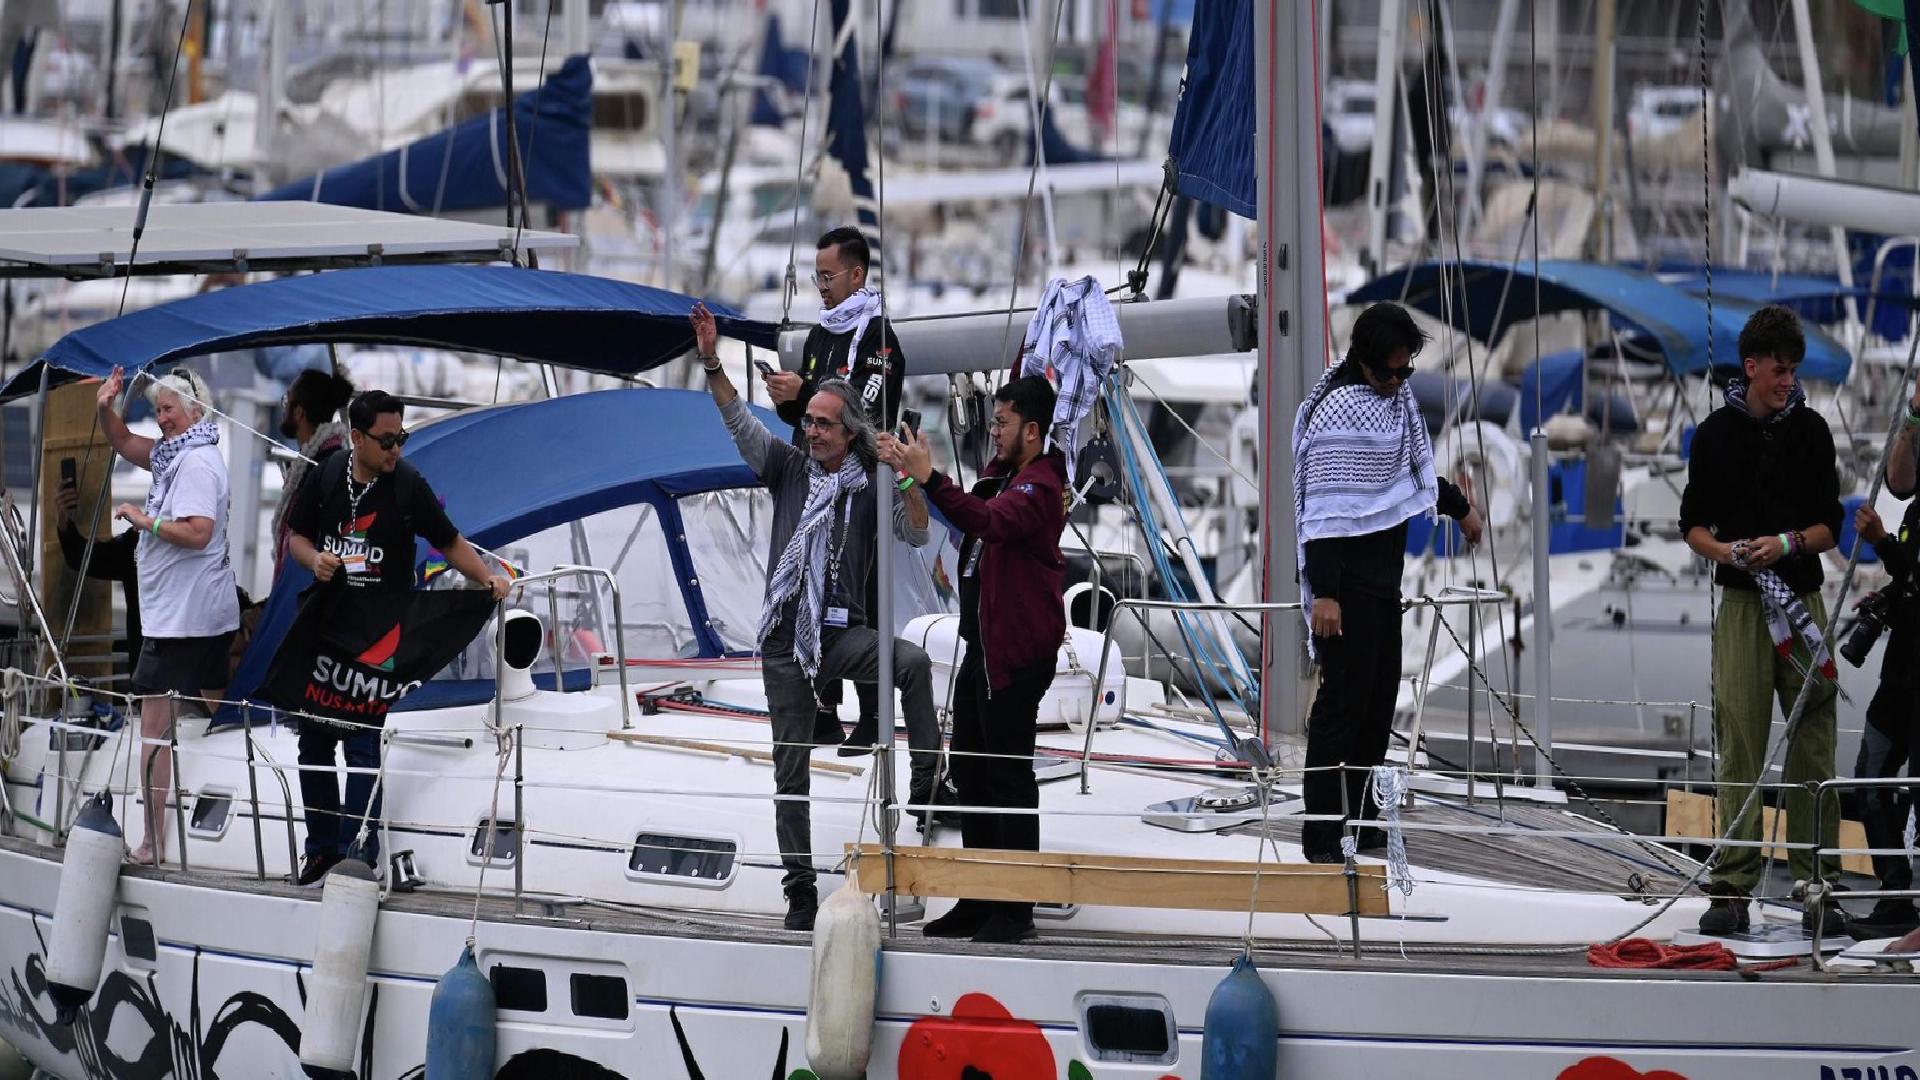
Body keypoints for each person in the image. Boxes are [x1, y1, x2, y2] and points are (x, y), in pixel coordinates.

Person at [692, 301, 941, 932]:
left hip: (841, 634)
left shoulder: (873, 481)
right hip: (785, 639)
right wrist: (712, 361)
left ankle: (928, 786)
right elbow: (737, 419)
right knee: (791, 768)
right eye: (808, 421)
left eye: (824, 424)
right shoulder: (788, 467)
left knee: (912, 663)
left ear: (849, 431)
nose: (812, 431)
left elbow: (916, 534)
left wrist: (906, 478)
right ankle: (799, 889)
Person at [284, 389, 511, 885]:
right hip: (325, 629)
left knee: (361, 746)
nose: (396, 449)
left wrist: (487, 578)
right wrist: (314, 559)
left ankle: (358, 854)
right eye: (386, 441)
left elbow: (448, 541)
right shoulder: (327, 474)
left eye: (401, 438)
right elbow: (295, 536)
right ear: (357, 437)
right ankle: (320, 849)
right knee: (314, 746)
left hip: (377, 637)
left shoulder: (407, 484)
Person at [1291, 302, 1483, 864]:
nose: (1397, 381)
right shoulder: (1338, 410)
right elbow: (1324, 510)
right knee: (1340, 708)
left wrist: (1460, 508)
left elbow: (1410, 479)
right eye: (1389, 371)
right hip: (1344, 588)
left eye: (1406, 371)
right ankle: (1322, 833)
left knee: (1378, 705)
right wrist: (1325, 592)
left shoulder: (1395, 403)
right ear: (1363, 359)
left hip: (1382, 584)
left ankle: (1363, 820)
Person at [1678, 304, 1847, 936]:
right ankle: (1732, 887)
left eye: (1793, 370)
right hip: (1744, 607)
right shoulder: (1714, 436)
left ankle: (1819, 884)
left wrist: (1786, 544)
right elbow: (1693, 526)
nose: (1788, 381)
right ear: (1750, 367)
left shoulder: (1813, 432)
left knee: (1813, 743)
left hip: (1802, 603)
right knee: (1740, 742)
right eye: (1779, 370)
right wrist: (1728, 553)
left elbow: (1830, 526)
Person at [881, 374, 1068, 945]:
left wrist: (930, 476)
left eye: (1003, 422)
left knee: (1007, 777)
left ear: (1031, 431)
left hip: (1015, 654)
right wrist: (914, 475)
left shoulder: (1039, 486)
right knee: (969, 771)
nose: (994, 431)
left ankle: (1014, 907)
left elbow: (989, 522)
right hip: (983, 648)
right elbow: (967, 515)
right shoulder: (1003, 475)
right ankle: (979, 896)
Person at [94, 365, 241, 867]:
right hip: (194, 613)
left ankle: (152, 841)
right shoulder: (173, 453)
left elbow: (198, 531)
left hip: (183, 618)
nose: (161, 419)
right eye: (157, 410)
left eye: (169, 410)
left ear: (195, 410)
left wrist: (145, 521)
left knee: (153, 730)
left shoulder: (195, 463)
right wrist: (104, 406)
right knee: (223, 711)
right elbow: (122, 441)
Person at [769, 226, 907, 752]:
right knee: (812, 587)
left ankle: (874, 715)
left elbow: (865, 412)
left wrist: (804, 391)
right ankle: (822, 709)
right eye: (817, 277)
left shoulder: (879, 340)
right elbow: (810, 417)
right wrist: (788, 399)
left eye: (828, 277)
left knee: (860, 596)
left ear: (856, 275)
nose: (821, 287)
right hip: (814, 486)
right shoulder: (819, 336)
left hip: (860, 488)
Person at [1849, 380, 1920, 936]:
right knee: (1869, 777)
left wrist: (1881, 543)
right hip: (1903, 670)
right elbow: (1898, 479)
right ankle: (1896, 896)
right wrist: (1914, 412)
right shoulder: (1917, 507)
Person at [271, 368, 355, 579]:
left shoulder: (320, 467)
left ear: (299, 413)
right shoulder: (325, 459)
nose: (284, 409)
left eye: (286, 401)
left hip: (312, 585)